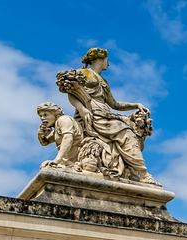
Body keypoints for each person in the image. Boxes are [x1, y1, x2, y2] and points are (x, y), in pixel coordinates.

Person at [64, 47, 157, 184]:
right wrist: (81, 109)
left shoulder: (103, 81)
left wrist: (136, 105)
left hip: (105, 113)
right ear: (100, 59)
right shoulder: (82, 73)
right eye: (107, 60)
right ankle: (144, 173)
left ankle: (131, 170)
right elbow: (71, 93)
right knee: (127, 134)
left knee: (130, 126)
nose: (108, 63)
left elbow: (115, 104)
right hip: (92, 114)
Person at [36, 102, 83, 168]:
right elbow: (45, 142)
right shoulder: (56, 128)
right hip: (66, 160)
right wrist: (40, 134)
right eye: (40, 116)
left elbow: (68, 138)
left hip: (77, 159)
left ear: (55, 114)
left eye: (45, 115)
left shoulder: (63, 120)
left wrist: (57, 160)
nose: (42, 118)